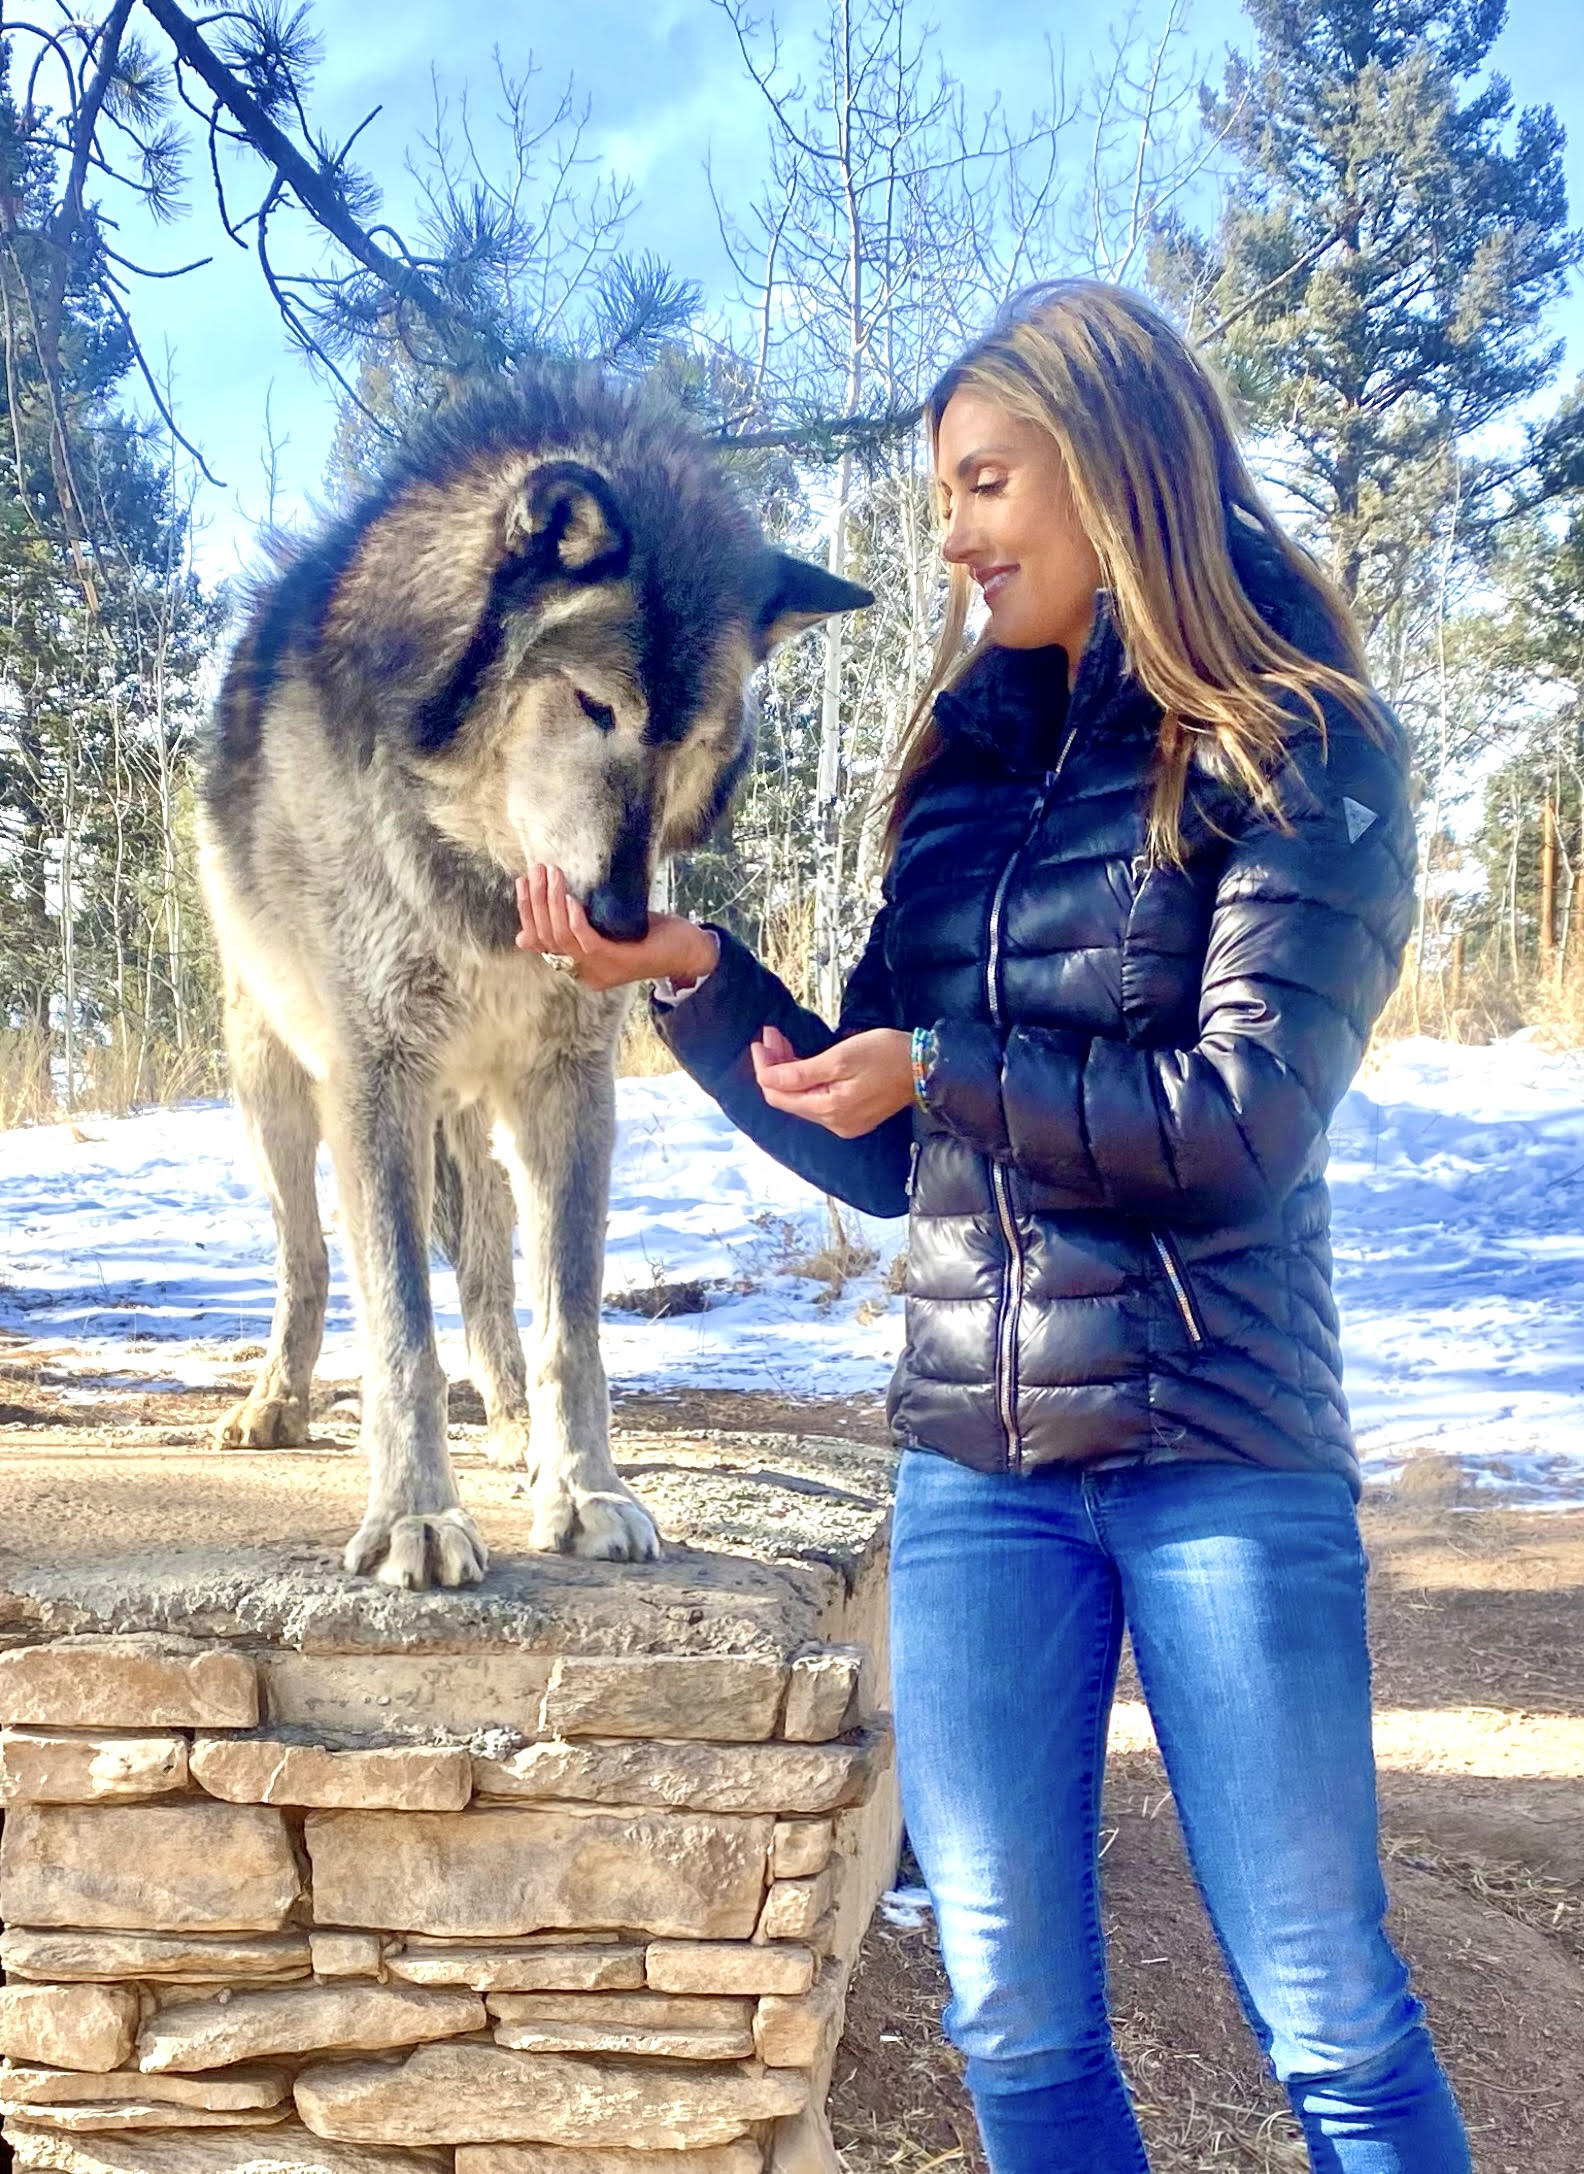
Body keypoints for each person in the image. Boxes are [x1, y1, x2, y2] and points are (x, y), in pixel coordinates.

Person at [513, 279, 1471, 2174]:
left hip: (1220, 1451)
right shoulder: (960, 765)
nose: (950, 534)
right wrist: (697, 978)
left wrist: (946, 1066)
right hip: (976, 1463)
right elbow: (889, 1146)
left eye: (984, 481)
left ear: (1114, 467)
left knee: (1327, 2011)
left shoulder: (1299, 743)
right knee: (1012, 2013)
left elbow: (1242, 1123)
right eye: (941, 493)